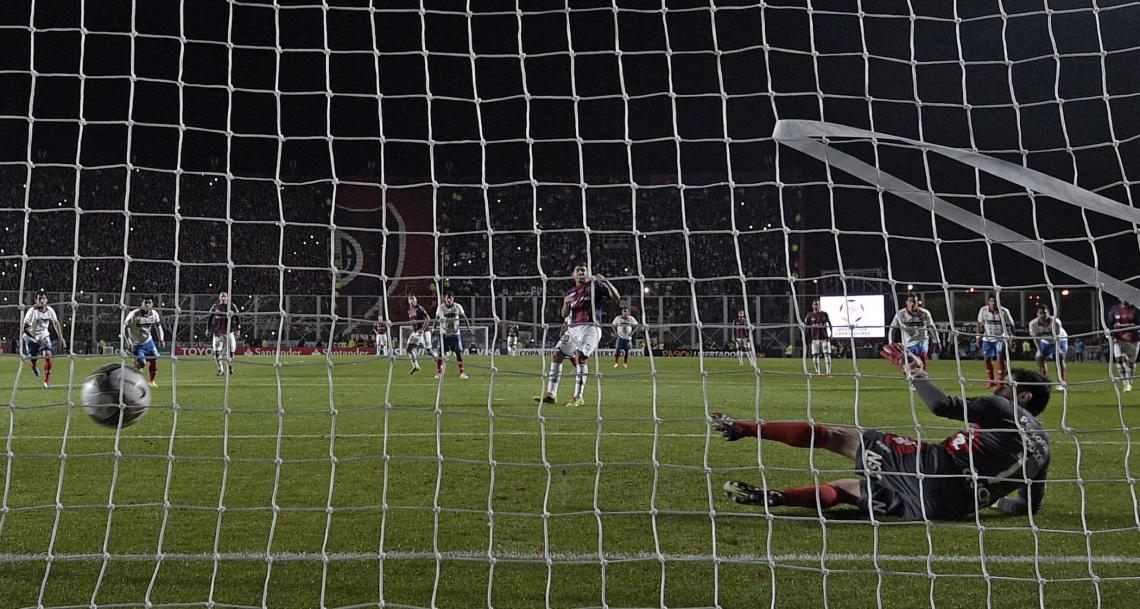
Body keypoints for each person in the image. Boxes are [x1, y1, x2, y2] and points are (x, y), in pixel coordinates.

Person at [715, 343, 1051, 520]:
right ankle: (776, 497)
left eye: (1006, 385)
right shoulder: (1045, 448)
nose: (998, 388)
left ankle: (744, 428)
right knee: (847, 490)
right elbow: (1028, 507)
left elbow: (941, 406)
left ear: (1024, 397)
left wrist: (913, 371)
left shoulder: (1003, 409)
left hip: (934, 467)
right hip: (945, 508)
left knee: (839, 436)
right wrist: (995, 503)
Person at [534, 264, 620, 407]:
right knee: (557, 354)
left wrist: (605, 281)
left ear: (587, 273)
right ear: (573, 275)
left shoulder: (595, 286)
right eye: (578, 270)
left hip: (591, 327)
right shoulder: (572, 292)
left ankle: (578, 397)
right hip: (573, 328)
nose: (581, 272)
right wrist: (565, 304)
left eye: (583, 270)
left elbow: (616, 298)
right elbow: (564, 314)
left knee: (580, 357)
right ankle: (551, 394)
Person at [22, 292, 66, 389]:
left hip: (44, 336)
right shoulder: (31, 311)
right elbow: (25, 328)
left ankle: (46, 381)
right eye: (39, 298)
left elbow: (55, 322)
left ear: (47, 300)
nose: (42, 300)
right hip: (31, 337)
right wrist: (35, 339)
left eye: (43, 298)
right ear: (36, 301)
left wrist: (60, 336)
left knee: (48, 356)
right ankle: (33, 366)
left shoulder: (50, 310)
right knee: (34, 358)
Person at [890, 293, 940, 370]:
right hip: (907, 345)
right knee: (911, 369)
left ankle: (923, 377)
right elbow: (892, 328)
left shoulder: (924, 314)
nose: (912, 303)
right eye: (910, 301)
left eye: (914, 301)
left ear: (918, 302)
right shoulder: (900, 314)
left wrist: (937, 341)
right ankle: (914, 379)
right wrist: (891, 343)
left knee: (922, 360)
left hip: (921, 342)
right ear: (906, 302)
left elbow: (931, 327)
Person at [124, 297, 165, 388]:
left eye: (149, 302)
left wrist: (161, 339)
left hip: (148, 341)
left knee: (154, 360)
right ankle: (137, 363)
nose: (147, 304)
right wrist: (128, 341)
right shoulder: (134, 314)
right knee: (142, 363)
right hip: (136, 344)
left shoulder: (154, 314)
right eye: (145, 302)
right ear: (141, 305)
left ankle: (151, 382)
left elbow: (158, 327)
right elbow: (124, 327)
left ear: (152, 304)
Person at [977, 295, 1015, 388]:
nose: (993, 303)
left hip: (1000, 338)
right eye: (992, 301)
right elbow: (979, 323)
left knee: (999, 357)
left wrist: (1011, 338)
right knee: (986, 359)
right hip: (987, 339)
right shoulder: (983, 310)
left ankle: (1001, 382)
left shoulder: (1004, 312)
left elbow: (1011, 325)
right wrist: (978, 338)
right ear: (988, 302)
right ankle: (991, 380)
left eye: (995, 301)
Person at [435, 293, 472, 379]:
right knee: (440, 353)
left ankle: (462, 372)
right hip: (444, 333)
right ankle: (439, 372)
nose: (448, 300)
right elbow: (436, 318)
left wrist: (469, 328)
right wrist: (434, 329)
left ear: (453, 299)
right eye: (447, 298)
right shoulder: (441, 308)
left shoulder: (458, 307)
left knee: (458, 353)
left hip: (455, 334)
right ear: (444, 299)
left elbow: (464, 317)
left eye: (450, 298)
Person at [1107, 297, 1139, 392]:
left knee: (1131, 363)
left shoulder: (1136, 310)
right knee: (1119, 361)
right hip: (1119, 339)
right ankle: (1126, 383)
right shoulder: (1114, 310)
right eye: (1123, 297)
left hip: (1133, 339)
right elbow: (1110, 325)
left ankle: (1129, 380)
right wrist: (1113, 335)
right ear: (1119, 298)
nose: (1125, 299)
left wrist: (1131, 334)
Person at [1029, 305, 1068, 383]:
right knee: (1039, 358)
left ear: (1049, 314)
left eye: (1045, 313)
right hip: (1045, 341)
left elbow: (1057, 338)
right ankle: (1043, 380)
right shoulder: (1033, 324)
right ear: (1037, 314)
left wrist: (1058, 350)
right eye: (1040, 313)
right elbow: (1036, 339)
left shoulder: (1055, 322)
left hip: (1060, 340)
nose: (1043, 315)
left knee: (1059, 357)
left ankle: (1061, 381)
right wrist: (1039, 350)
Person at [206, 291, 241, 376]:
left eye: (225, 296)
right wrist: (208, 329)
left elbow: (238, 317)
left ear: (227, 298)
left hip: (229, 332)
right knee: (217, 352)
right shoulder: (215, 307)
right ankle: (221, 370)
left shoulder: (232, 306)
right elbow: (210, 318)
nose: (223, 298)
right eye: (222, 296)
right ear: (219, 298)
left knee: (232, 351)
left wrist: (238, 329)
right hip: (218, 333)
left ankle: (229, 364)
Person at [405, 295, 441, 376]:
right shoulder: (410, 310)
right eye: (410, 299)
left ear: (416, 300)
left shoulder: (420, 308)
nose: (411, 300)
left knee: (429, 351)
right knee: (408, 349)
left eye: (413, 299)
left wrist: (422, 329)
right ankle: (416, 366)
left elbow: (428, 319)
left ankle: (440, 364)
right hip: (416, 332)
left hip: (424, 332)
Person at [803, 300, 833, 376]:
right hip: (814, 338)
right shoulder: (809, 315)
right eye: (815, 304)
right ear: (812, 306)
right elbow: (806, 327)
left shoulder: (824, 314)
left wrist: (831, 333)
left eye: (817, 304)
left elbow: (829, 323)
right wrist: (804, 336)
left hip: (824, 337)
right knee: (815, 354)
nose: (816, 306)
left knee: (827, 354)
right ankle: (817, 372)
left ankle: (828, 372)